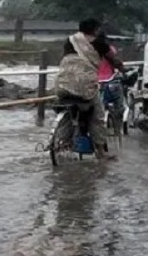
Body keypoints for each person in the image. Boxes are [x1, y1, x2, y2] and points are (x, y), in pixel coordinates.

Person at [55, 18, 116, 161]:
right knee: (98, 117)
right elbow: (114, 60)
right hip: (85, 87)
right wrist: (121, 67)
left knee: (67, 111)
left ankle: (60, 144)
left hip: (63, 82)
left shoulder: (70, 41)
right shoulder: (100, 43)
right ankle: (100, 153)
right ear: (96, 29)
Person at [96, 37, 128, 122]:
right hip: (108, 78)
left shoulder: (87, 50)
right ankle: (118, 122)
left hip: (93, 79)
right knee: (119, 102)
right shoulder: (109, 49)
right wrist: (124, 69)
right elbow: (116, 62)